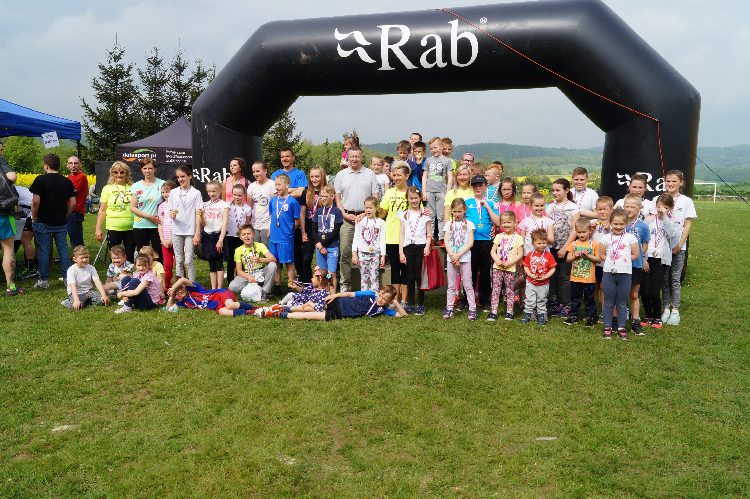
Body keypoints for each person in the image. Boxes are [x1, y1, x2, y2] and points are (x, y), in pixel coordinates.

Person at [334, 145, 379, 293]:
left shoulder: (370, 174)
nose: (354, 159)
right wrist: (343, 213)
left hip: (366, 218)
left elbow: (375, 197)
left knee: (368, 252)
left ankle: (368, 284)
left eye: (357, 156)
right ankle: (344, 283)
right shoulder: (341, 175)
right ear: (348, 157)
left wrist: (365, 213)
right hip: (347, 218)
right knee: (345, 252)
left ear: (362, 157)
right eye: (352, 156)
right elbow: (337, 197)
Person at [29, 153, 76, 290]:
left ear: (46, 166)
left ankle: (43, 280)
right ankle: (67, 278)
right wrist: (66, 215)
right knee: (63, 249)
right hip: (60, 221)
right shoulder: (67, 181)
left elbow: (35, 201)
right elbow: (73, 202)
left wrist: (34, 216)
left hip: (43, 220)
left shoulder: (40, 180)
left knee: (44, 250)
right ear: (59, 166)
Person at [661, 169, 697, 326]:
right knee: (664, 279)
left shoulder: (686, 201)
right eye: (668, 181)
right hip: (662, 247)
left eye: (674, 181)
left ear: (681, 183)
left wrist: (680, 244)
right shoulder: (659, 198)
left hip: (678, 247)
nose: (670, 184)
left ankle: (675, 310)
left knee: (675, 279)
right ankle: (665, 308)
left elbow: (687, 224)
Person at [259, 284, 407, 320]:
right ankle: (283, 308)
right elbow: (350, 293)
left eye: (385, 299)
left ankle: (279, 314)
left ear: (389, 301)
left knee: (308, 315)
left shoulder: (383, 310)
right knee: (307, 308)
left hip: (338, 314)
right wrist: (335, 296)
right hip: (337, 302)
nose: (380, 299)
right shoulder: (370, 294)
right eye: (380, 295)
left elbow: (404, 316)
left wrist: (396, 303)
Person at [599, 208, 639, 340]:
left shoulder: (631, 238)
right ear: (611, 223)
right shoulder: (605, 238)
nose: (618, 226)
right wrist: (611, 261)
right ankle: (608, 326)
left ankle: (621, 327)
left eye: (621, 224)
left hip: (625, 274)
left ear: (626, 224)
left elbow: (635, 254)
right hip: (609, 273)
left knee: (622, 302)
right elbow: (601, 254)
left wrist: (623, 260)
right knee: (608, 302)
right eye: (615, 224)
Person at [642, 193, 679, 329]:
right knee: (645, 291)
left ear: (670, 208)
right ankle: (648, 316)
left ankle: (657, 317)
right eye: (658, 206)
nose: (661, 210)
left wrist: (665, 218)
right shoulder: (648, 220)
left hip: (661, 260)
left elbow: (673, 236)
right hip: (647, 258)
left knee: (654, 290)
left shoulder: (671, 222)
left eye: (665, 208)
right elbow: (642, 240)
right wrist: (643, 259)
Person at [464, 175, 500, 312]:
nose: (478, 187)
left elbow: (497, 222)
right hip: (471, 242)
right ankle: (467, 300)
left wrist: (487, 207)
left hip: (486, 241)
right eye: (475, 185)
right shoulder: (467, 202)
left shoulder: (491, 203)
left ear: (485, 186)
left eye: (480, 185)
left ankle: (485, 300)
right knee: (470, 271)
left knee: (485, 271)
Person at [546, 178, 580, 317]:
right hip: (551, 247)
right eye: (553, 190)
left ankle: (567, 305)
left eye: (558, 190)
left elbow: (575, 229)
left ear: (566, 190)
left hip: (566, 247)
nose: (555, 193)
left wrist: (565, 247)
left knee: (564, 277)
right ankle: (555, 303)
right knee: (553, 276)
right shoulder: (550, 206)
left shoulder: (573, 207)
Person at [398, 186, 432, 316]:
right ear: (407, 199)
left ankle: (421, 304)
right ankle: (410, 303)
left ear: (420, 198)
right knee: (410, 277)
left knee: (419, 277)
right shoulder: (404, 214)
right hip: (408, 248)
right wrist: (401, 252)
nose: (414, 200)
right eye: (411, 198)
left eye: (416, 198)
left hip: (421, 248)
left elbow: (429, 234)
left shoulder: (425, 214)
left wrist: (427, 246)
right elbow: (401, 235)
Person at [166, 165, 202, 282]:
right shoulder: (173, 192)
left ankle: (192, 285)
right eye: (178, 177)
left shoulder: (196, 193)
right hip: (177, 230)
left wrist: (197, 233)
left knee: (188, 260)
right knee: (179, 260)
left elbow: (198, 213)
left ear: (190, 176)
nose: (180, 179)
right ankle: (180, 286)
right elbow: (170, 210)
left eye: (183, 176)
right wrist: (171, 214)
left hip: (190, 231)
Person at [380, 161, 410, 302]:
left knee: (405, 269)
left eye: (399, 175)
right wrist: (372, 210)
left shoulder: (411, 192)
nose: (396, 178)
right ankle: (395, 299)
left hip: (407, 237)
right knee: (395, 268)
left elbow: (419, 212)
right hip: (391, 236)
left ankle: (404, 300)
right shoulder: (389, 192)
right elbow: (382, 213)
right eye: (395, 175)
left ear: (406, 176)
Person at [563, 217, 602, 327]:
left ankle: (591, 317)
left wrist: (588, 256)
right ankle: (573, 316)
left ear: (590, 231)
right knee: (575, 298)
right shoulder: (574, 244)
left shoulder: (594, 244)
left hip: (589, 279)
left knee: (589, 299)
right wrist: (574, 256)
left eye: (584, 232)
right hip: (575, 278)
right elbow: (568, 259)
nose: (581, 235)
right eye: (579, 232)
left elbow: (599, 259)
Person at [443, 198, 476, 320]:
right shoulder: (448, 224)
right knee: (451, 286)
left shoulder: (469, 224)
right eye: (455, 211)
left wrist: (458, 255)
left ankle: (472, 309)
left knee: (468, 284)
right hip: (451, 259)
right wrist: (452, 255)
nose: (457, 214)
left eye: (460, 211)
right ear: (451, 211)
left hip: (465, 258)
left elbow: (470, 242)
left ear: (464, 210)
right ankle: (449, 308)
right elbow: (446, 241)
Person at [622, 194, 650, 335]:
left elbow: (645, 246)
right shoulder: (619, 223)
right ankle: (619, 321)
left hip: (635, 265)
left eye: (632, 207)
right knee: (621, 294)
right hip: (620, 265)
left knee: (634, 294)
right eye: (627, 206)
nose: (629, 209)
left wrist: (636, 255)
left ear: (640, 208)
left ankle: (636, 322)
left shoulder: (643, 226)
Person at [95, 161, 135, 259]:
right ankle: (115, 270)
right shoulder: (107, 189)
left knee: (130, 256)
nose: (119, 175)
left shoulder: (133, 188)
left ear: (127, 173)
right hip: (113, 227)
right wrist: (98, 228)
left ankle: (129, 269)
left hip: (131, 227)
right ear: (112, 173)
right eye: (115, 172)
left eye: (122, 172)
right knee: (115, 256)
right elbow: (102, 210)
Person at [228, 224, 278, 300]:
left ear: (254, 235)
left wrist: (261, 260)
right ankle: (251, 289)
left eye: (249, 233)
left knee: (272, 265)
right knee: (232, 287)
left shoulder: (260, 245)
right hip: (247, 274)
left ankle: (265, 292)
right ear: (240, 237)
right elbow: (239, 271)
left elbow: (273, 259)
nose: (246, 236)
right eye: (243, 234)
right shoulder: (238, 250)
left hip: (260, 273)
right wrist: (248, 277)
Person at [489, 211, 524, 321]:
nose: (506, 225)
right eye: (503, 223)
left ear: (515, 223)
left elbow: (520, 254)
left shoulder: (518, 238)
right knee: (496, 289)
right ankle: (493, 311)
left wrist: (510, 262)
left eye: (509, 222)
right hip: (497, 268)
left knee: (510, 290)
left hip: (510, 268)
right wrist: (496, 260)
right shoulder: (499, 236)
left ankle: (509, 311)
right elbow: (492, 251)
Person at [268, 174, 300, 291]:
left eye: (279, 184)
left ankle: (291, 285)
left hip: (286, 238)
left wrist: (290, 231)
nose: (277, 187)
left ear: (287, 185)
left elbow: (297, 220)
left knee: (289, 263)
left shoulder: (292, 202)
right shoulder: (273, 201)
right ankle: (277, 285)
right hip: (274, 237)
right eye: (276, 184)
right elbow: (272, 217)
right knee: (275, 262)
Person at [130, 158, 165, 259]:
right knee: (142, 256)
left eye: (150, 168)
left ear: (155, 169)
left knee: (158, 255)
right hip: (141, 225)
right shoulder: (136, 186)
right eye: (145, 168)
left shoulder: (162, 184)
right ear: (141, 170)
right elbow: (132, 207)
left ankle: (158, 270)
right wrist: (149, 216)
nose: (147, 171)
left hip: (158, 225)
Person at [167, 277, 257, 316]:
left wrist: (173, 288)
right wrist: (172, 294)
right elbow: (169, 307)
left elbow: (182, 279)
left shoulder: (194, 288)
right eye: (177, 290)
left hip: (221, 294)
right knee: (222, 312)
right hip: (218, 306)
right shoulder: (184, 303)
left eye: (181, 287)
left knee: (230, 305)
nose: (180, 291)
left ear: (185, 286)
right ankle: (254, 312)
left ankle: (256, 307)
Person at [521, 228, 557, 326]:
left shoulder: (548, 256)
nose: (542, 245)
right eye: (539, 243)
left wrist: (546, 276)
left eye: (544, 243)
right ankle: (527, 315)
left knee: (541, 300)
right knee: (529, 300)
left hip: (543, 283)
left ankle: (542, 317)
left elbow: (553, 268)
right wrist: (530, 274)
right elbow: (526, 266)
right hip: (531, 282)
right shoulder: (530, 255)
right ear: (533, 243)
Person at [199, 180, 230, 289]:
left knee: (219, 263)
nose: (211, 193)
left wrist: (221, 240)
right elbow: (203, 224)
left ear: (220, 191)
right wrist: (202, 215)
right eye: (209, 191)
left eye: (214, 191)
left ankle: (219, 288)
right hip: (208, 236)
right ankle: (213, 288)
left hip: (218, 236)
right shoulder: (205, 205)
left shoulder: (224, 205)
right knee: (211, 264)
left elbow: (225, 223)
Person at [312, 185, 343, 291]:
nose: (323, 198)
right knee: (322, 272)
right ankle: (323, 293)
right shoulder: (318, 212)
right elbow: (314, 230)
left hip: (332, 247)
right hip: (320, 247)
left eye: (325, 196)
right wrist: (319, 245)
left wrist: (323, 245)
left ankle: (332, 293)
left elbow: (335, 232)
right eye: (322, 196)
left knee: (330, 273)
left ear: (332, 196)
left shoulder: (337, 212)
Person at [298, 166, 326, 284]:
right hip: (309, 228)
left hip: (323, 229)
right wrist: (303, 232)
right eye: (312, 176)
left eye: (317, 176)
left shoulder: (326, 191)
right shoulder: (306, 192)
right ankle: (308, 283)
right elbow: (302, 213)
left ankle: (326, 283)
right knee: (306, 258)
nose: (314, 179)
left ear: (322, 177)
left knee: (324, 259)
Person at [352, 196, 386, 292]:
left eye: (370, 208)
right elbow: (356, 237)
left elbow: (382, 239)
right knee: (364, 278)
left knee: (374, 278)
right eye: (366, 208)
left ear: (376, 208)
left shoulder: (381, 223)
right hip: (362, 253)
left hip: (375, 254)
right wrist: (354, 253)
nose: (368, 210)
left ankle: (374, 298)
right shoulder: (360, 222)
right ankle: (364, 297)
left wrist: (383, 255)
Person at [421, 137, 452, 244]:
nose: (433, 150)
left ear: (441, 147)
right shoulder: (428, 160)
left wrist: (448, 192)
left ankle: (441, 237)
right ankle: (430, 237)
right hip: (429, 191)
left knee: (441, 216)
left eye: (435, 147)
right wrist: (424, 191)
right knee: (430, 215)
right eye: (431, 148)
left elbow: (450, 177)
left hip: (441, 191)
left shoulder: (447, 161)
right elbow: (424, 176)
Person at [62, 245, 109, 310]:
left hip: (89, 291)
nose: (84, 260)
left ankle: (86, 301)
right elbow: (73, 286)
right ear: (75, 259)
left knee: (103, 301)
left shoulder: (91, 268)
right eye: (82, 258)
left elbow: (97, 282)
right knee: (77, 307)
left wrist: (103, 295)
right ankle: (67, 302)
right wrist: (76, 300)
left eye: (86, 257)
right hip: (76, 293)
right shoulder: (72, 270)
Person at [1, 152, 21, 295]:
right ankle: (11, 286)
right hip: (3, 213)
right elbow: (12, 177)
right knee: (8, 250)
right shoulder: (1, 161)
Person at [225, 184, 252, 285]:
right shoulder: (228, 206)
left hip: (241, 238)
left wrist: (243, 229)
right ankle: (230, 282)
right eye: (235, 195)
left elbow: (248, 223)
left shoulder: (247, 208)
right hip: (230, 236)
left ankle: (240, 281)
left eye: (239, 195)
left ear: (244, 195)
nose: (237, 197)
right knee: (230, 260)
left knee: (241, 260)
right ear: (232, 194)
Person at [591, 196, 613, 310]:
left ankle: (605, 312)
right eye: (600, 209)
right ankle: (593, 311)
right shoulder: (592, 223)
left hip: (606, 262)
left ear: (611, 210)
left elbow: (617, 238)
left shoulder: (615, 224)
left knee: (604, 287)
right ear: (596, 210)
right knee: (594, 286)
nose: (602, 212)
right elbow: (584, 237)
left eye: (605, 209)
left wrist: (609, 229)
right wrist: (590, 231)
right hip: (592, 260)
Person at [247, 160, 274, 247]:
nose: (255, 174)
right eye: (253, 171)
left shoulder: (272, 185)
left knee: (266, 252)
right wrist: (248, 224)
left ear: (265, 171)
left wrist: (272, 226)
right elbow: (249, 208)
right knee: (255, 251)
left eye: (258, 171)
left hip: (267, 225)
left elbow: (275, 208)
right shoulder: (251, 186)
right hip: (254, 225)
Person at [157, 180, 177, 287]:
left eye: (167, 192)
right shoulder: (161, 206)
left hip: (177, 240)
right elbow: (160, 223)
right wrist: (162, 239)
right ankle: (167, 287)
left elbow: (178, 224)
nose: (165, 194)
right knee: (167, 265)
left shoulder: (178, 205)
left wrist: (171, 239)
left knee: (179, 264)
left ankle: (181, 286)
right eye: (163, 192)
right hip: (165, 241)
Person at [65, 156, 88, 249]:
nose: (73, 165)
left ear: (80, 165)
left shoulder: (81, 177)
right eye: (71, 163)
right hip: (70, 210)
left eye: (76, 163)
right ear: (67, 165)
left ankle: (81, 255)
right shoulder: (69, 177)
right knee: (73, 236)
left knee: (76, 239)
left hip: (75, 211)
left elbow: (69, 192)